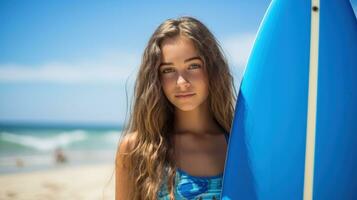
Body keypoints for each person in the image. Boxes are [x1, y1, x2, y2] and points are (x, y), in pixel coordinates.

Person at [115, 16, 236, 200]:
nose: (181, 82)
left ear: (212, 70)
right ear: (157, 79)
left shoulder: (237, 147)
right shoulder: (136, 150)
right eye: (168, 70)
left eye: (193, 66)